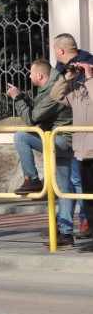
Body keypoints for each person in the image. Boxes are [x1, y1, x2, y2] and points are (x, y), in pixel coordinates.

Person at [5, 59, 74, 247]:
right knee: (64, 189)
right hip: (62, 140)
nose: (28, 75)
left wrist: (17, 99)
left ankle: (32, 179)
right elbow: (38, 110)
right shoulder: (50, 86)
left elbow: (32, 118)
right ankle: (66, 233)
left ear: (40, 76)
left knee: (21, 137)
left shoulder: (53, 89)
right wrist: (22, 96)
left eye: (31, 73)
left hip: (60, 141)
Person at [50, 59, 93, 252]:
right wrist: (68, 77)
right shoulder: (77, 89)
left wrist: (90, 77)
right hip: (82, 150)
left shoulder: (90, 86)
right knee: (88, 197)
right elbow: (55, 95)